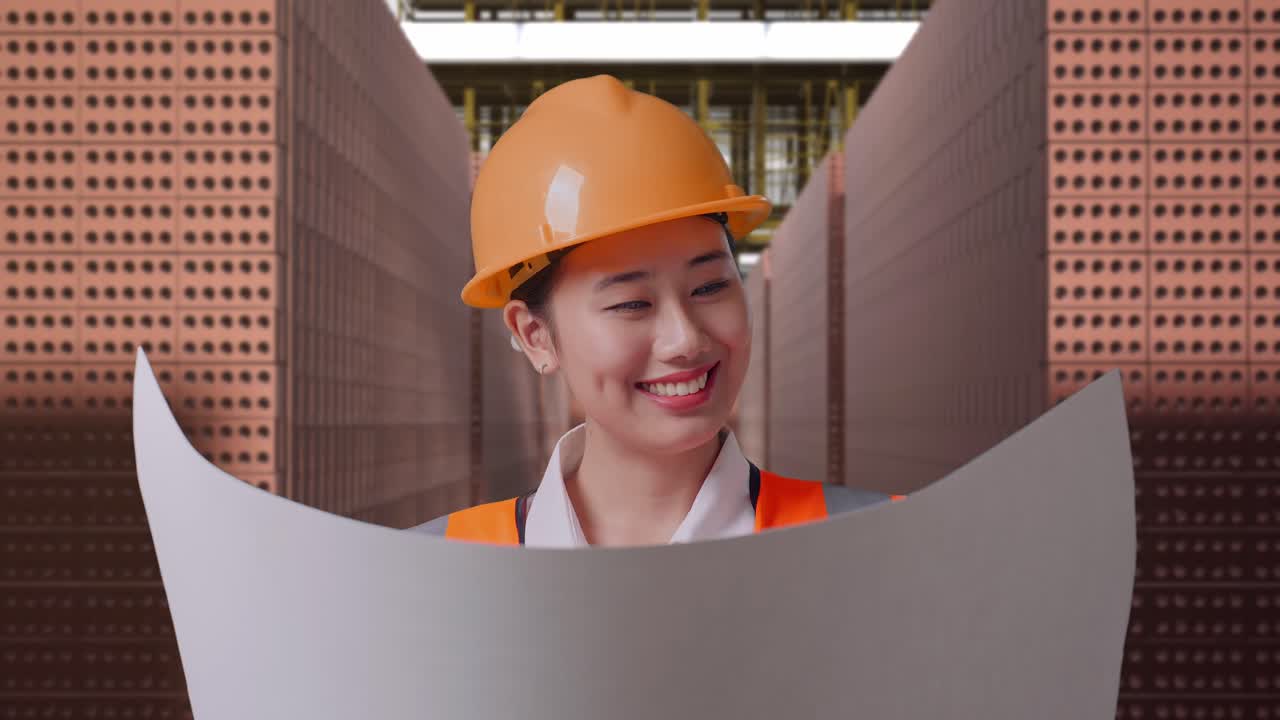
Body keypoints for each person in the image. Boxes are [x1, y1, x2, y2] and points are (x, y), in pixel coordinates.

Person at [410, 74, 903, 547]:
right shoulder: (428, 575)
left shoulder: (886, 545)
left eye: (710, 286)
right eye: (632, 304)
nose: (685, 339)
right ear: (536, 334)